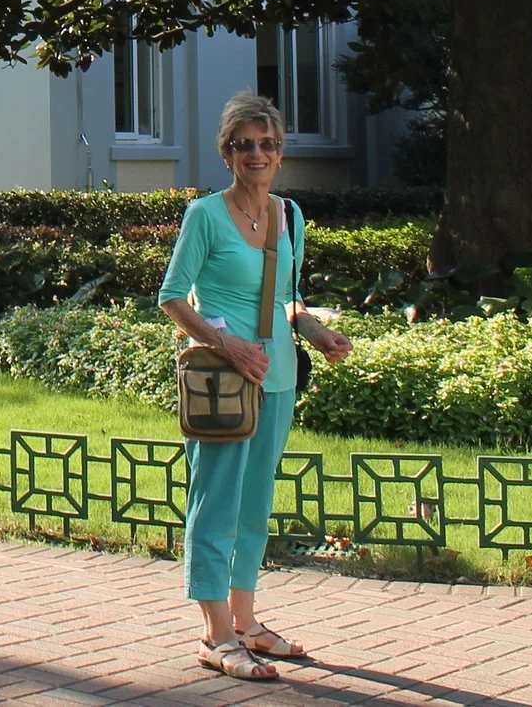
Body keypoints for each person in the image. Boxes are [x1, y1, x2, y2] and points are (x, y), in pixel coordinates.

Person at [158, 91, 355, 681]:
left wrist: (317, 331)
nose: (256, 154)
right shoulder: (205, 216)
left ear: (280, 152)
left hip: (278, 379)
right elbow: (172, 298)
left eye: (267, 144)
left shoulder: (289, 215)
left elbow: (288, 300)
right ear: (227, 153)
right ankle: (215, 635)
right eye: (244, 145)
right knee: (214, 502)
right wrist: (230, 346)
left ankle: (246, 622)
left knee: (254, 503)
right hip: (224, 381)